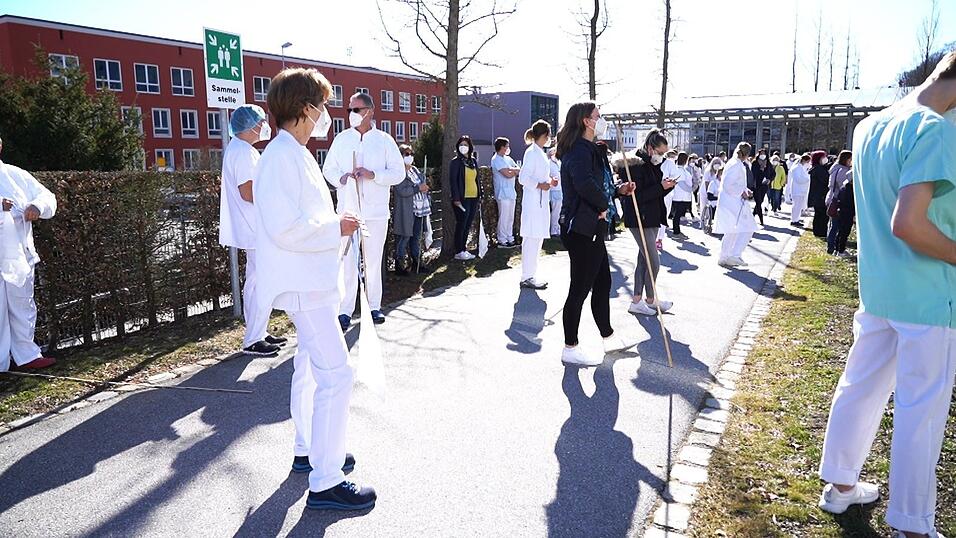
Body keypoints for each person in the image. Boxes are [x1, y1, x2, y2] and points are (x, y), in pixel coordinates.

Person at [816, 51, 956, 538]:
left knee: (861, 388)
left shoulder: (870, 126)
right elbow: (910, 223)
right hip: (928, 295)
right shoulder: (934, 129)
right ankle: (913, 524)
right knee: (922, 410)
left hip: (878, 288)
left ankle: (839, 485)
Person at [253, 67, 375, 511]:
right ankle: (325, 479)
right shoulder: (282, 157)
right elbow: (284, 225)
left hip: (310, 281)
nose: (326, 113)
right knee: (336, 375)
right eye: (322, 105)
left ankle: (311, 449)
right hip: (304, 284)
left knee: (310, 370)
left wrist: (333, 230)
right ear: (305, 109)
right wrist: (336, 227)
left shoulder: (294, 153)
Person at [555, 102, 636, 367]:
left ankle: (608, 336)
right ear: (586, 122)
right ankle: (570, 346)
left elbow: (598, 185)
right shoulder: (578, 150)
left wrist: (618, 191)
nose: (601, 121)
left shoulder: (589, 149)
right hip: (581, 228)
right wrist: (602, 204)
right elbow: (584, 185)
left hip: (592, 227)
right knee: (579, 288)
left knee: (602, 283)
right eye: (598, 117)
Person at [323, 92, 405, 330]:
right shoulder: (341, 139)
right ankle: (345, 310)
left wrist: (374, 175)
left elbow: (398, 173)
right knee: (347, 261)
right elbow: (328, 168)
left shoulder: (384, 140)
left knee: (372, 261)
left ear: (369, 111)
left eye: (355, 110)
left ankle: (373, 307)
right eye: (349, 109)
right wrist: (342, 178)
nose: (351, 114)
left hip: (376, 213)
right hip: (348, 212)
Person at [218, 104, 285, 357]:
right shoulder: (244, 152)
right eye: (261, 121)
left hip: (253, 228)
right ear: (251, 126)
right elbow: (248, 192)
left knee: (256, 282)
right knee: (260, 282)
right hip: (255, 228)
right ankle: (253, 338)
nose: (264, 125)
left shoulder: (239, 149)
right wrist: (275, 196)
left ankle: (259, 332)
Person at [0, 135, 57, 372]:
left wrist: (37, 207)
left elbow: (47, 196)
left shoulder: (16, 175)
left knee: (23, 305)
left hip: (19, 256)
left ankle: (27, 355)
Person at [613, 130, 676, 316]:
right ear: (650, 148)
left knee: (643, 259)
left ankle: (637, 300)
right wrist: (660, 187)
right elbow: (637, 197)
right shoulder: (635, 165)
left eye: (664, 153)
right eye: (660, 152)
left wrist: (665, 187)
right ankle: (650, 298)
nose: (662, 157)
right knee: (653, 260)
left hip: (653, 216)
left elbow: (654, 191)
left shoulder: (652, 164)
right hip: (640, 217)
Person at [518, 120, 554, 290]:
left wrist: (549, 182)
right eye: (549, 135)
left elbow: (538, 176)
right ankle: (527, 276)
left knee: (537, 238)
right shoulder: (531, 152)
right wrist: (541, 185)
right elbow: (523, 178)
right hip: (533, 202)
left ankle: (531, 274)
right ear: (544, 135)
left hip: (540, 201)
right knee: (531, 238)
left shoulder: (539, 152)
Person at [714, 142, 758, 268]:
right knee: (747, 228)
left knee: (732, 230)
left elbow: (734, 183)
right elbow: (729, 185)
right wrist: (742, 191)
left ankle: (725, 256)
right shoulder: (736, 165)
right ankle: (734, 254)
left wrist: (743, 189)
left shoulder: (734, 163)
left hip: (732, 201)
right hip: (733, 202)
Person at [392, 144, 431, 275]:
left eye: (411, 154)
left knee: (416, 237)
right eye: (406, 154)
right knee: (404, 237)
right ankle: (400, 265)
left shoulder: (414, 170)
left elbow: (421, 183)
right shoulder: (398, 172)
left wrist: (424, 186)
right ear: (400, 156)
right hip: (405, 211)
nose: (410, 157)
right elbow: (402, 191)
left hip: (419, 210)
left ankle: (417, 263)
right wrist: (418, 188)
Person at [449, 135, 481, 261]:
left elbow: (476, 179)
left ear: (470, 147)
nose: (463, 147)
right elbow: (453, 181)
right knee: (461, 224)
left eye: (466, 145)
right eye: (461, 145)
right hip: (462, 199)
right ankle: (459, 251)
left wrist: (480, 194)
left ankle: (464, 249)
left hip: (473, 197)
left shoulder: (473, 161)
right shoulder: (455, 162)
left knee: (468, 224)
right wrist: (456, 198)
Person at [491, 137, 520, 248]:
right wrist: (513, 171)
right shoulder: (496, 159)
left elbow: (517, 169)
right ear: (502, 147)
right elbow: (506, 174)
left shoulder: (508, 159)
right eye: (507, 146)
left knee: (510, 217)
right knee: (503, 217)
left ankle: (510, 238)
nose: (508, 148)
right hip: (502, 193)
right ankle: (502, 240)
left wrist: (512, 170)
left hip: (511, 192)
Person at [826, 150, 853, 254]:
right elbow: (843, 185)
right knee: (836, 226)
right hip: (837, 200)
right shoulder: (843, 171)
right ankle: (833, 248)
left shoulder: (835, 168)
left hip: (831, 197)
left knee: (832, 224)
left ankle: (831, 246)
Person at [656, 150, 680, 249]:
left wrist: (669, 182)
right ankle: (653, 238)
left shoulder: (669, 163)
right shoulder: (652, 162)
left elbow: (676, 177)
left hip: (666, 193)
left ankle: (659, 239)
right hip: (654, 192)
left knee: (663, 216)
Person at [669, 152, 694, 238]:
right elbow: (682, 184)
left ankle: (676, 230)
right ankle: (676, 232)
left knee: (677, 214)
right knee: (677, 215)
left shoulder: (680, 170)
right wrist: (691, 189)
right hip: (681, 196)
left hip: (680, 196)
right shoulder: (679, 171)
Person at [832, 169, 855, 257]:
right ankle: (841, 250)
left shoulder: (843, 187)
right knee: (845, 232)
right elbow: (851, 203)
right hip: (847, 212)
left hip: (842, 211)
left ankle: (837, 249)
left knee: (841, 231)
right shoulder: (850, 190)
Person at [808, 150, 831, 237]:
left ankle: (817, 231)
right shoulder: (819, 169)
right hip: (821, 196)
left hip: (817, 196)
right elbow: (826, 180)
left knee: (818, 214)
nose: (825, 159)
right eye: (823, 157)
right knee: (822, 215)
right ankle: (821, 232)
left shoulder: (815, 168)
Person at [750, 148, 774, 226]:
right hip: (756, 185)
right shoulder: (755, 163)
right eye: (761, 153)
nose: (762, 155)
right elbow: (753, 174)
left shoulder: (768, 163)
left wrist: (770, 179)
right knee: (758, 202)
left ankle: (753, 214)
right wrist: (760, 169)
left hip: (764, 185)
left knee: (760, 201)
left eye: (764, 153)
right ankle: (761, 220)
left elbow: (773, 173)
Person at [788, 153, 812, 228]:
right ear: (804, 160)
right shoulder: (796, 168)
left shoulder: (802, 168)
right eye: (808, 162)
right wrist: (808, 179)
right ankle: (794, 220)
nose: (808, 164)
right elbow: (798, 179)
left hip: (801, 190)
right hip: (797, 190)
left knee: (799, 206)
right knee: (796, 206)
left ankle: (796, 219)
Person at [548, 147, 563, 237]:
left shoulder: (559, 163)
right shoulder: (548, 164)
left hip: (560, 189)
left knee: (559, 211)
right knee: (555, 211)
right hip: (553, 190)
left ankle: (557, 229)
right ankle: (553, 230)